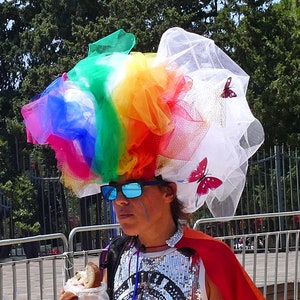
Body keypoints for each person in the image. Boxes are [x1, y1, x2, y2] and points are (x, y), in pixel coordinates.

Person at [22, 28, 265, 299]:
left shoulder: (210, 258)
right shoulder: (111, 257)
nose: (120, 201)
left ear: (168, 192)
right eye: (113, 190)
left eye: (133, 188)